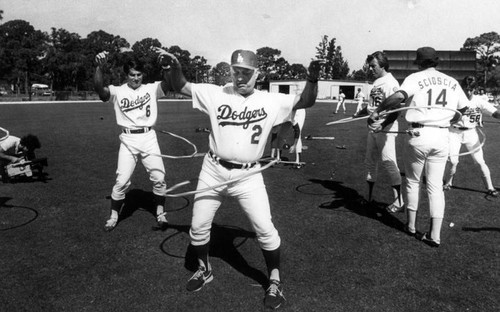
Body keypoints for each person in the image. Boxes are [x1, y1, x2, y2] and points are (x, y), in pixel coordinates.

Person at [159, 48, 321, 309]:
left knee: (265, 229)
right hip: (213, 169)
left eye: (246, 72)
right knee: (198, 226)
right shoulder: (216, 93)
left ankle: (275, 281)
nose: (240, 77)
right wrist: (175, 67)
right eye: (236, 72)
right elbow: (180, 85)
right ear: (230, 72)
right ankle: (204, 269)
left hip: (249, 175)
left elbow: (305, 101)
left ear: (257, 73)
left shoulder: (270, 100)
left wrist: (312, 79)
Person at [368, 47, 470, 248]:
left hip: (419, 134)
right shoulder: (452, 81)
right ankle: (434, 235)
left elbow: (398, 97)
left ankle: (411, 226)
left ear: (419, 62)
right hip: (441, 135)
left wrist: (378, 111)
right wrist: (445, 117)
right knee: (435, 186)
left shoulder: (415, 77)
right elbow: (463, 108)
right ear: (436, 61)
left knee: (413, 182)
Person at [94, 50, 169, 232]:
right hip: (128, 139)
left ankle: (160, 212)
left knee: (159, 178)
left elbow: (169, 83)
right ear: (126, 75)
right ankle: (113, 216)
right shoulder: (118, 91)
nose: (136, 78)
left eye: (139, 74)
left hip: (148, 137)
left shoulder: (151, 88)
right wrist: (98, 67)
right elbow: (100, 90)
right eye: (132, 75)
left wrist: (166, 66)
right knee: (122, 181)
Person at [355, 51, 404, 212]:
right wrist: (359, 113)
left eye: (373, 66)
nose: (370, 69)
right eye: (369, 66)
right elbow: (373, 106)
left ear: (383, 65)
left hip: (386, 129)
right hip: (373, 129)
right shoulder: (376, 82)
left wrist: (382, 126)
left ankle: (399, 201)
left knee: (389, 163)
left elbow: (397, 109)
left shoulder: (390, 82)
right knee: (370, 162)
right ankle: (368, 197)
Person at [443, 75, 500, 197]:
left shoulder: (478, 100)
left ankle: (490, 187)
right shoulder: (454, 98)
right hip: (454, 132)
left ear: (475, 89)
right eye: (465, 89)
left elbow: (494, 112)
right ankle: (448, 182)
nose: (468, 92)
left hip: (471, 133)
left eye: (471, 89)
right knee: (453, 161)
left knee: (480, 161)